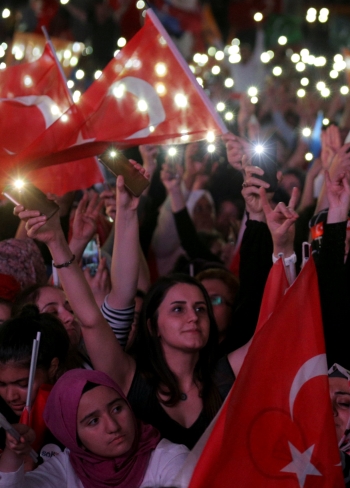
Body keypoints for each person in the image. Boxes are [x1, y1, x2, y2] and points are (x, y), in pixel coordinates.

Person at [16, 174, 255, 449]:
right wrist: (57, 242)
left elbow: (277, 329)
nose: (193, 317)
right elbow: (92, 320)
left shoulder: (226, 373)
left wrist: (280, 246)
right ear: (152, 326)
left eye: (201, 308)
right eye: (178, 309)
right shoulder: (130, 379)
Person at [0, 369, 188, 487]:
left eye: (117, 409)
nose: (113, 426)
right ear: (74, 437)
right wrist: (14, 451)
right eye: (93, 421)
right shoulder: (65, 468)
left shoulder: (169, 457)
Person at [0, 310, 69, 467]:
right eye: (1, 384)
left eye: (23, 384)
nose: (11, 396)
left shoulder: (73, 415)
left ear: (52, 367)